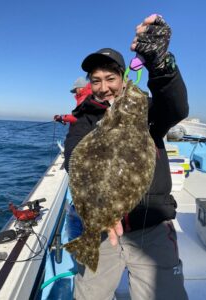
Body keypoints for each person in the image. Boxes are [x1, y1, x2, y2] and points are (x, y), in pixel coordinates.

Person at [64, 14, 189, 300]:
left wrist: (160, 63)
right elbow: (75, 158)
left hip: (151, 226)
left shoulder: (145, 111)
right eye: (95, 81)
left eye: (110, 78)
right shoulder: (83, 119)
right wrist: (102, 211)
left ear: (123, 78)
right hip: (100, 230)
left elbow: (176, 106)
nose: (103, 87)